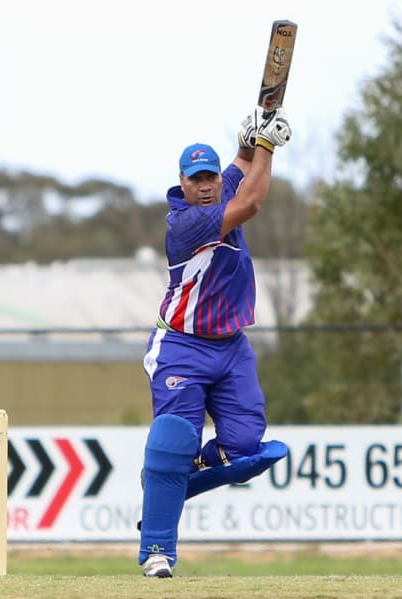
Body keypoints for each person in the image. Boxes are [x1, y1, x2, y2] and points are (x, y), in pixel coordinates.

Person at [137, 108, 293, 578]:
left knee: (246, 449)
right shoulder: (185, 223)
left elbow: (241, 169)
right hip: (181, 346)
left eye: (211, 177)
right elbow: (252, 203)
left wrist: (249, 142)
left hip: (230, 346)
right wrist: (268, 147)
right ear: (182, 184)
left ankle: (172, 478)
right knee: (175, 439)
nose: (206, 185)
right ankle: (157, 551)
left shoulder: (221, 190)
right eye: (196, 179)